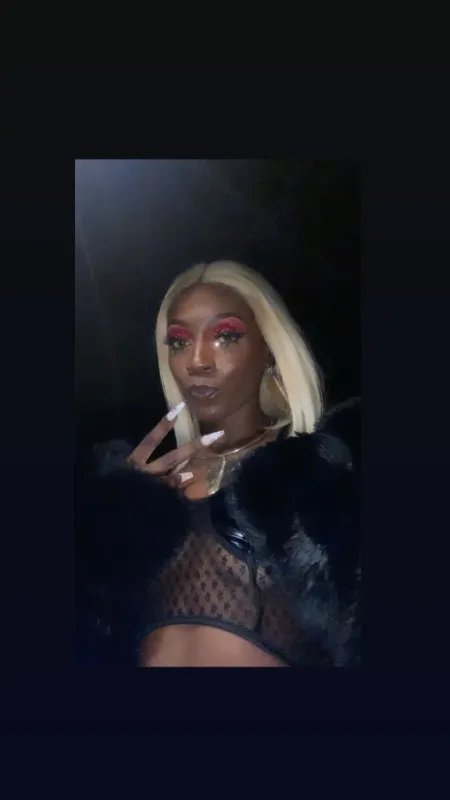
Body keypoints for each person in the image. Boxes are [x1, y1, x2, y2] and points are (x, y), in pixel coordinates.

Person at [81, 260, 360, 667]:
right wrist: (113, 525)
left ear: (269, 350)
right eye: (179, 342)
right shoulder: (145, 487)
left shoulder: (314, 477)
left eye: (225, 336)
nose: (196, 361)